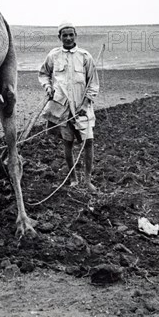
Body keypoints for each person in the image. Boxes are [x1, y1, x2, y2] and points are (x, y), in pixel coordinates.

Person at [38, 21, 100, 192]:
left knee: (88, 143)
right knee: (67, 143)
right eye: (64, 35)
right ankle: (73, 178)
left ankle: (87, 180)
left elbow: (93, 84)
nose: (68, 38)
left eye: (71, 34)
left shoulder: (85, 56)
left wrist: (86, 103)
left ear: (75, 36)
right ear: (59, 37)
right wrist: (48, 87)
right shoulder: (53, 55)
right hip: (62, 107)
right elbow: (43, 74)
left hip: (83, 107)